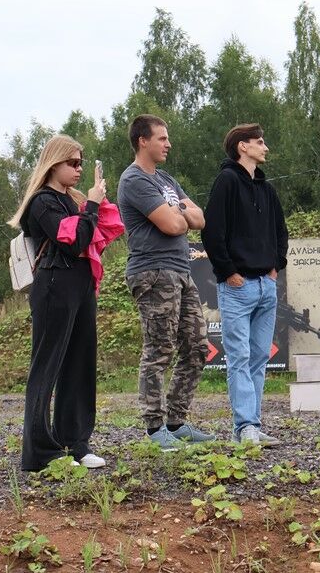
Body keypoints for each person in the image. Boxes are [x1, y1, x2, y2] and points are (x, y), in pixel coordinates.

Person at [9, 134, 110, 472]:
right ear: (54, 164)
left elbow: (101, 235)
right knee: (47, 364)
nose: (79, 169)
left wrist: (94, 204)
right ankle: (40, 452)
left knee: (80, 364)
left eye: (82, 163)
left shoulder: (72, 199)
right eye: (73, 163)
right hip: (54, 284)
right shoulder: (42, 202)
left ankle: (75, 443)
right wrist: (91, 206)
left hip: (81, 283)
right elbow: (74, 241)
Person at [117, 114, 213, 451]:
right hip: (153, 273)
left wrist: (179, 213)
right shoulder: (134, 180)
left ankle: (176, 421)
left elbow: (199, 219)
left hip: (181, 271)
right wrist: (180, 214)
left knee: (197, 346)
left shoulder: (166, 180)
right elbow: (173, 225)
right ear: (142, 140)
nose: (168, 144)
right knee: (159, 348)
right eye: (162, 138)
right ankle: (154, 427)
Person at [201, 123, 288, 445]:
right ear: (243, 146)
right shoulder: (226, 181)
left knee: (259, 357)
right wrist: (228, 272)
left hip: (266, 285)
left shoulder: (267, 190)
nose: (265, 148)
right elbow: (212, 231)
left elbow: (280, 231)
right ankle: (245, 427)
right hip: (237, 287)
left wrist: (276, 267)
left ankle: (252, 425)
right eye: (260, 142)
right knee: (239, 357)